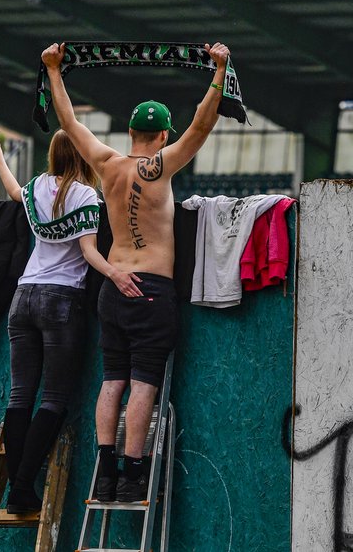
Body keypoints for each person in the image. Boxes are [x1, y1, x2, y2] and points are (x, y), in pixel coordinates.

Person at [41, 40, 230, 502]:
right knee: (143, 383)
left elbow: (69, 123)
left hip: (111, 287)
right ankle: (132, 472)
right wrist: (219, 71)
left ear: (129, 131)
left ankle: (103, 469)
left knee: (112, 380)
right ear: (164, 135)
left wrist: (54, 71)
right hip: (150, 289)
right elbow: (202, 125)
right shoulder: (161, 167)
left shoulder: (106, 164)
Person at [0, 128, 141, 514]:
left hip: (22, 298)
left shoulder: (38, 187)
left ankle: (17, 488)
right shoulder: (85, 197)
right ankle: (23, 487)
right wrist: (115, 274)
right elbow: (89, 253)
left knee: (20, 395)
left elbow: (12, 192)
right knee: (55, 398)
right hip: (62, 301)